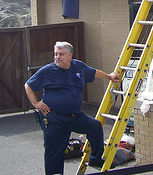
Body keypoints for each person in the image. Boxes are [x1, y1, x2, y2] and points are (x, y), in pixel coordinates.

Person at [25, 41, 120, 175]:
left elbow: (93, 72)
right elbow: (28, 85)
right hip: (55, 119)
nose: (57, 57)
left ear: (70, 56)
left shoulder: (78, 66)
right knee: (54, 152)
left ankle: (96, 159)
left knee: (95, 127)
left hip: (75, 116)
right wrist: (36, 103)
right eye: (56, 54)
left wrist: (109, 76)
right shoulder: (48, 71)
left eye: (61, 54)